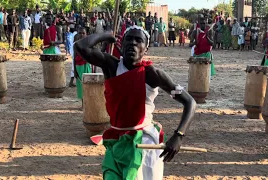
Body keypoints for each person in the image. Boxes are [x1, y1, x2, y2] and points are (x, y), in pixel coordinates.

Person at [74, 25, 196, 180]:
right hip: (117, 140)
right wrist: (106, 34)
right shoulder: (111, 66)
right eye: (129, 39)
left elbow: (190, 102)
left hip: (144, 142)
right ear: (121, 44)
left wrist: (178, 136)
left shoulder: (152, 74)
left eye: (139, 40)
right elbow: (81, 46)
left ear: (146, 49)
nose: (133, 43)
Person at [73, 27, 92, 101]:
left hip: (87, 65)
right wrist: (74, 71)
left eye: (83, 33)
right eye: (80, 33)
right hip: (79, 66)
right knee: (81, 85)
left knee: (88, 83)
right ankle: (83, 102)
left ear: (86, 34)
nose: (81, 35)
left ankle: (87, 102)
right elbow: (74, 58)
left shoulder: (89, 44)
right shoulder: (76, 45)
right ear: (77, 34)